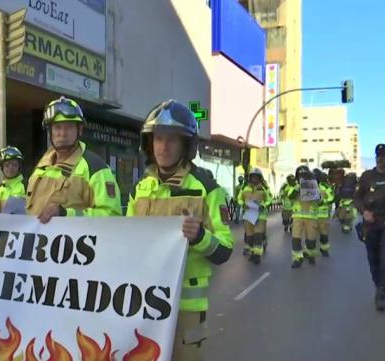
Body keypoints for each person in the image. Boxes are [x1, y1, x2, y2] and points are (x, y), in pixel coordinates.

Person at [126, 100, 232, 361]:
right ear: (149, 143)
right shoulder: (139, 189)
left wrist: (199, 236)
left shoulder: (206, 188)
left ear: (187, 145)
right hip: (144, 302)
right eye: (158, 139)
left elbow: (225, 249)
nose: (163, 147)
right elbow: (125, 242)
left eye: (172, 140)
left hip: (188, 308)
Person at [26, 96, 122, 221]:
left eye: (69, 127)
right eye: (57, 127)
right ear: (50, 131)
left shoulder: (95, 167)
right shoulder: (40, 168)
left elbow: (112, 216)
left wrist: (66, 214)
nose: (62, 133)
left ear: (80, 130)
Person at [354, 143, 385, 311]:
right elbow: (357, 198)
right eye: (378, 156)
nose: (380, 160)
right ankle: (378, 284)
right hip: (370, 224)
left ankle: (381, 294)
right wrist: (364, 211)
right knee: (373, 260)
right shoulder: (366, 176)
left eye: (384, 157)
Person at [237, 168, 272, 264]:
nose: (255, 179)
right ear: (250, 178)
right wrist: (242, 204)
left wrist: (263, 205)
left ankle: (257, 255)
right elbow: (239, 198)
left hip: (260, 215)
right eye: (253, 177)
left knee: (258, 235)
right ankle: (252, 253)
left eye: (257, 177)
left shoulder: (263, 189)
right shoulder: (245, 188)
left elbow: (269, 200)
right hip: (248, 215)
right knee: (250, 237)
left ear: (260, 178)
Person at [288, 166, 320, 268]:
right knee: (296, 238)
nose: (302, 177)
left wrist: (316, 195)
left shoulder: (314, 186)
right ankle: (297, 259)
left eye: (304, 175)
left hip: (311, 217)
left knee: (311, 240)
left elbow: (320, 202)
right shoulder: (295, 187)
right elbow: (290, 196)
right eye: (300, 175)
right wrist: (298, 187)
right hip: (298, 216)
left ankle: (311, 255)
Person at [0, 146, 27, 213]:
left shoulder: (27, 186)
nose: (10, 168)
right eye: (7, 165)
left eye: (14, 164)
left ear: (19, 166)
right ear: (2, 168)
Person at [314, 169, 335, 257]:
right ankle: (309, 251)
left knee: (323, 234)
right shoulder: (308, 187)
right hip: (311, 215)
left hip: (322, 215)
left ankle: (324, 249)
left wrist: (323, 201)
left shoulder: (325, 187)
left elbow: (332, 198)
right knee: (310, 235)